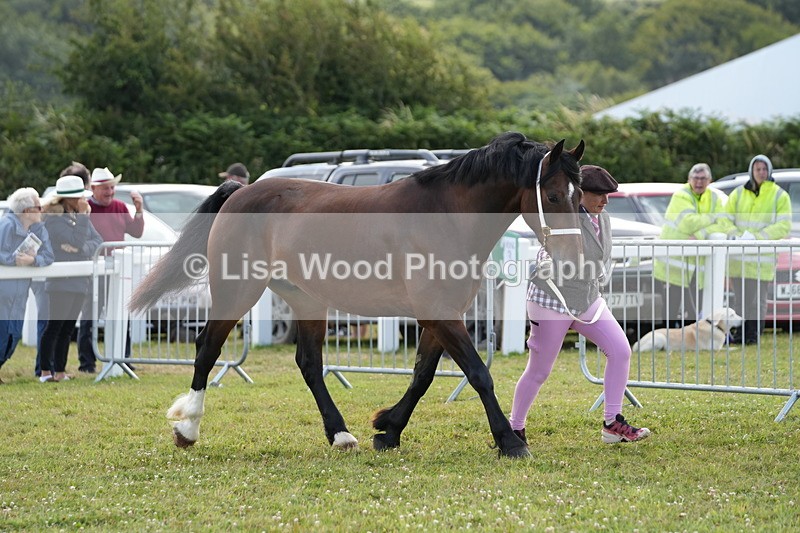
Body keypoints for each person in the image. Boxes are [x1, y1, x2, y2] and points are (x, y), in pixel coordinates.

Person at [509, 165, 650, 444]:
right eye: (600, 195)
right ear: (580, 193)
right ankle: (514, 428)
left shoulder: (604, 218)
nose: (606, 201)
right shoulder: (564, 217)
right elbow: (549, 252)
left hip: (587, 299)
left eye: (609, 195)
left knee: (621, 350)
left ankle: (612, 423)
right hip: (552, 301)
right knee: (539, 371)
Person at [76, 167, 144, 373]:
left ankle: (124, 359)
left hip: (118, 270)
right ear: (94, 188)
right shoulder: (85, 208)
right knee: (90, 317)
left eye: (112, 188)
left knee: (123, 315)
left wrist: (139, 210)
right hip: (96, 271)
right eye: (105, 188)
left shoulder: (120, 207)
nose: (110, 192)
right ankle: (87, 363)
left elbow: (136, 232)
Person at [38, 176, 103, 383]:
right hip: (60, 281)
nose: (83, 201)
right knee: (54, 327)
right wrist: (83, 221)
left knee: (67, 330)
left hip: (78, 279)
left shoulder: (77, 218)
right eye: (79, 197)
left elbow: (96, 240)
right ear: (67, 199)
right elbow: (77, 238)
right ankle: (45, 370)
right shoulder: (54, 219)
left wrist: (80, 249)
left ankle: (60, 370)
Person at [652, 163, 734, 328]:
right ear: (689, 179)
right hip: (673, 265)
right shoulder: (680, 195)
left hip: (697, 266)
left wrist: (699, 234)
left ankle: (689, 343)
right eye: (695, 178)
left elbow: (724, 223)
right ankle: (665, 340)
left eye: (703, 178)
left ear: (710, 180)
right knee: (671, 308)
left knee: (693, 308)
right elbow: (687, 223)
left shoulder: (716, 197)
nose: (699, 182)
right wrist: (713, 217)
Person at [726, 154, 791, 345]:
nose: (761, 173)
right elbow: (725, 218)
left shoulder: (779, 195)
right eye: (758, 169)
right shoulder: (738, 194)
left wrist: (757, 237)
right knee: (740, 301)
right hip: (738, 260)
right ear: (751, 171)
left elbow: (783, 225)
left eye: (764, 169)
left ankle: (753, 336)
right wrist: (735, 235)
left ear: (769, 171)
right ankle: (739, 335)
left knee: (757, 302)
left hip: (761, 260)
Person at [0, 188, 54, 383]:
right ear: (26, 211)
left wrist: (33, 260)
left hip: (20, 293)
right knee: (4, 332)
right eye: (38, 207)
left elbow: (48, 256)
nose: (42, 210)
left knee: (13, 335)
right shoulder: (4, 225)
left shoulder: (37, 229)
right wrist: (14, 260)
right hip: (4, 292)